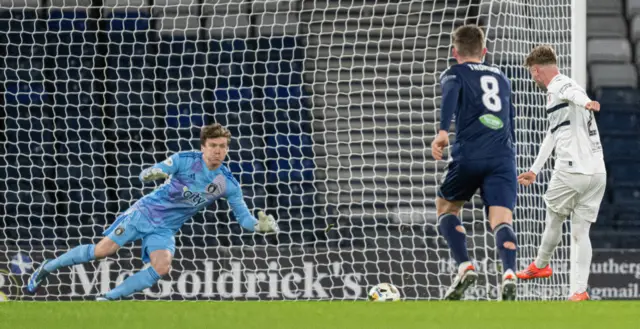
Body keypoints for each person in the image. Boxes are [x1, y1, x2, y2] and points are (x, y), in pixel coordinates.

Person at [27, 123, 279, 300]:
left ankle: (107, 298)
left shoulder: (228, 183)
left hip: (166, 228)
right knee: (103, 251)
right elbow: (149, 172)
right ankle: (46, 268)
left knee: (161, 267)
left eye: (223, 146)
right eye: (213, 145)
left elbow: (243, 217)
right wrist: (152, 173)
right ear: (203, 146)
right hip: (144, 213)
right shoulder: (184, 159)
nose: (218, 151)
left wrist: (258, 226)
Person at [432, 24, 518, 301]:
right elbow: (509, 119)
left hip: (469, 155)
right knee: (501, 219)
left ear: (454, 51)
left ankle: (465, 266)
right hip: (502, 157)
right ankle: (508, 273)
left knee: (446, 207)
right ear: (485, 51)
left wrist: (443, 131)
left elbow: (449, 97)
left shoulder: (453, 73)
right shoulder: (502, 77)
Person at [516, 45, 605, 302]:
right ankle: (580, 291)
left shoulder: (558, 85)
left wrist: (586, 101)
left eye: (532, 74)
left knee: (554, 217)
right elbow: (553, 134)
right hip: (597, 172)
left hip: (571, 169)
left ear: (536, 69)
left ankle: (541, 263)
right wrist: (534, 170)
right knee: (580, 232)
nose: (533, 79)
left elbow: (573, 93)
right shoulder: (564, 91)